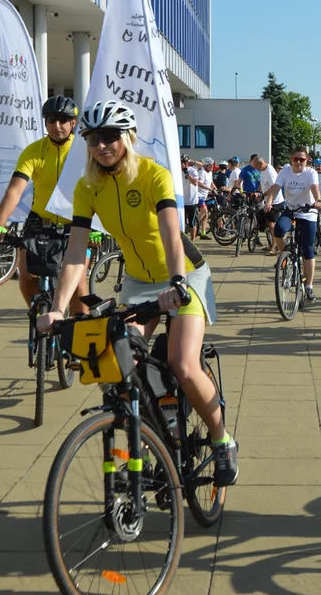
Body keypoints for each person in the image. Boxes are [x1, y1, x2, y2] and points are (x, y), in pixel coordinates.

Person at [36, 100, 237, 487]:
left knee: (182, 362)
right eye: (93, 138)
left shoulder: (152, 175)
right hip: (139, 281)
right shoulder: (87, 186)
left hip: (185, 275)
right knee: (118, 366)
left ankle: (221, 440)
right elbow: (76, 252)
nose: (102, 146)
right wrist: (59, 308)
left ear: (127, 138)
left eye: (111, 136)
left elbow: (171, 236)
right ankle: (145, 441)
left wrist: (177, 283)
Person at [0, 95, 89, 315]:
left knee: (79, 284)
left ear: (73, 123)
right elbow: (15, 190)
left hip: (76, 222)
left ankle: (78, 336)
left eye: (63, 120)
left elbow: (98, 189)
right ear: (45, 123)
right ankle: (41, 317)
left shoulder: (83, 151)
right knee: (26, 278)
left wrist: (98, 228)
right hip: (39, 220)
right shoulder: (34, 151)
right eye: (51, 120)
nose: (57, 126)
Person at [263, 147, 321, 300]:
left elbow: (314, 187)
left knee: (308, 249)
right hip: (291, 210)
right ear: (291, 159)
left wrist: (318, 200)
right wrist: (269, 202)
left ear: (307, 160)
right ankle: (286, 255)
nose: (298, 162)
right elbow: (276, 187)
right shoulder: (285, 171)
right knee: (278, 230)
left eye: (301, 159)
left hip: (308, 212)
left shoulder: (311, 172)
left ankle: (309, 286)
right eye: (295, 159)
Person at [255, 154, 284, 255]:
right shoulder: (263, 170)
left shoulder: (270, 171)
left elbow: (273, 187)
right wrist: (257, 191)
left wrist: (263, 195)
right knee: (267, 223)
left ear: (261, 164)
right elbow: (262, 183)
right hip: (268, 201)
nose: (256, 169)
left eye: (256, 167)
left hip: (275, 201)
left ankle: (274, 248)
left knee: (272, 225)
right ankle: (272, 243)